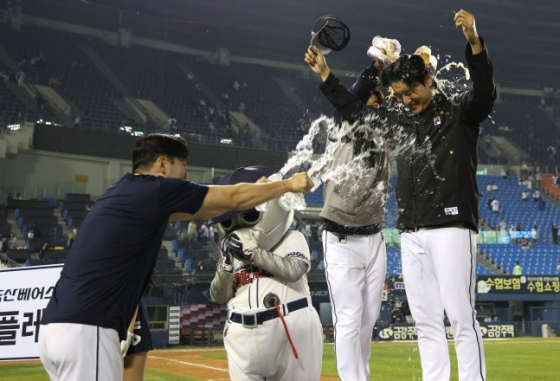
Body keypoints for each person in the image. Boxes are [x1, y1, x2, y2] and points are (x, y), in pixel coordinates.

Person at [305, 9, 493, 381]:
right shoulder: (401, 123)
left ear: (428, 79)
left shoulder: (460, 112)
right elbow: (356, 111)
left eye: (411, 91)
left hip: (452, 225)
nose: (405, 100)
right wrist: (327, 77)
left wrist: (474, 43)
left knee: (460, 316)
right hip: (410, 231)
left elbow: (485, 90)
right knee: (425, 320)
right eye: (399, 95)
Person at [38, 134, 313, 381]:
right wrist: (286, 185)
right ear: (162, 164)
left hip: (56, 329)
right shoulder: (158, 190)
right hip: (89, 329)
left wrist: (259, 188)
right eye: (182, 166)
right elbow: (232, 199)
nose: (185, 177)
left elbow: (202, 210)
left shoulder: (121, 193)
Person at [210, 166, 323, 381]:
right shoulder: (231, 253)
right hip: (241, 333)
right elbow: (218, 296)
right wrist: (225, 263)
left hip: (287, 326)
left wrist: (254, 254)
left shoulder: (292, 238)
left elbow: (293, 270)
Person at [319, 53, 391, 380]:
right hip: (342, 235)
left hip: (375, 236)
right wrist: (374, 69)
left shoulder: (386, 134)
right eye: (368, 104)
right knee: (348, 318)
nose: (372, 110)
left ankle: (361, 374)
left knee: (368, 318)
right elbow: (352, 98)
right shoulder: (344, 125)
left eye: (378, 106)